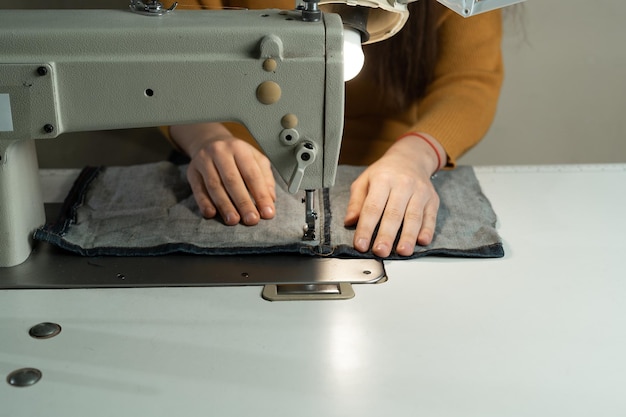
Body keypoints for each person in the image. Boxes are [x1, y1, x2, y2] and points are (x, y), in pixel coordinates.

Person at [165, 0, 503, 258]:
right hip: (231, 170)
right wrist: (204, 135)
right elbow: (162, 66)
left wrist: (415, 156)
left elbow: (468, 80)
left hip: (391, 162)